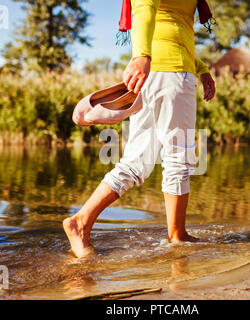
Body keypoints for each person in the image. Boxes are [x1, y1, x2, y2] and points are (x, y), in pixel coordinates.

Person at [64, 0, 216, 258]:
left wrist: (201, 69)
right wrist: (141, 55)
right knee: (178, 158)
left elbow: (173, 30)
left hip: (160, 74)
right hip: (171, 74)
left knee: (137, 162)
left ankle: (80, 222)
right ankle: (178, 237)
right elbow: (144, 7)